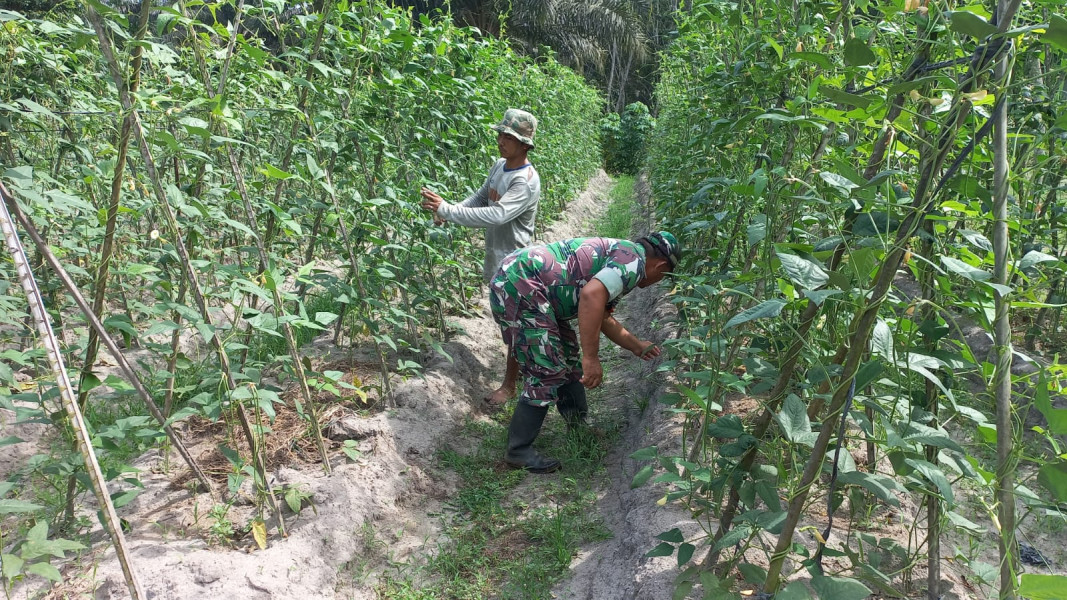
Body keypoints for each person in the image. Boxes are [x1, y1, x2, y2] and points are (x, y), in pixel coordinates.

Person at [489, 232, 682, 473]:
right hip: (521, 284)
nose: (658, 281)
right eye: (663, 276)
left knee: (567, 356)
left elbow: (599, 312)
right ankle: (517, 451)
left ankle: (576, 423)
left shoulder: (626, 255)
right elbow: (591, 296)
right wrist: (591, 358)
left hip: (528, 282)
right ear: (661, 266)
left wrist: (635, 345)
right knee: (546, 367)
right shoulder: (634, 264)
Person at [420, 108, 541, 408]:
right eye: (500, 134)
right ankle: (529, 368)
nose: (501, 140)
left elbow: (497, 215)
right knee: (508, 322)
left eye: (509, 137)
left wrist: (448, 210)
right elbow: (481, 198)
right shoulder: (500, 166)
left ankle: (510, 385)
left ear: (525, 144)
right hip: (496, 261)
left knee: (514, 325)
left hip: (515, 265)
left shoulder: (525, 181)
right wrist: (447, 212)